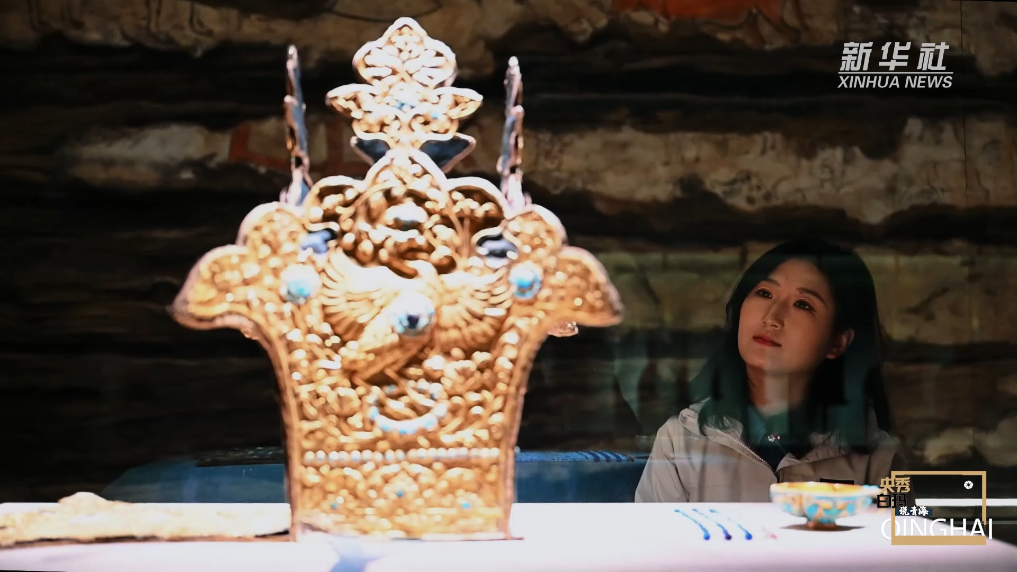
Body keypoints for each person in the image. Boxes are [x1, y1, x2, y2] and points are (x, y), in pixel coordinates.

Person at [635, 238, 910, 503]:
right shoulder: (680, 441)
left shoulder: (880, 460)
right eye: (764, 293)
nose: (771, 318)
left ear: (837, 342)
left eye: (803, 304)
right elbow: (653, 536)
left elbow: (901, 534)